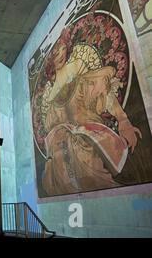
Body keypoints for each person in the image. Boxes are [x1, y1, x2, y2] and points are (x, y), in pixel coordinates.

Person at [39, 40, 142, 196]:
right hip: (63, 153)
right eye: (55, 53)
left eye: (62, 49)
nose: (60, 54)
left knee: (85, 154)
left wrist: (124, 121)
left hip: (89, 140)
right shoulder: (52, 104)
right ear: (49, 62)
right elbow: (51, 133)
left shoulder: (81, 80)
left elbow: (106, 95)